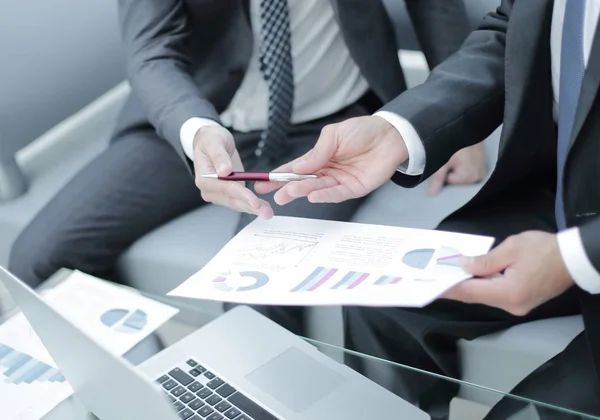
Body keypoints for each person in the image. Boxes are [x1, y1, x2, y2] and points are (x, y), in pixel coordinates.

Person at [8, 0, 481, 336]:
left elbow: (433, 4)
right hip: (198, 117)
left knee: (256, 294)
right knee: (37, 259)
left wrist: (456, 124)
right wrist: (195, 131)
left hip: (330, 128)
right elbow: (151, 52)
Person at [257, 0, 600, 418]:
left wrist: (576, 257)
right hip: (565, 201)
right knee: (380, 296)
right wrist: (397, 128)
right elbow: (513, 29)